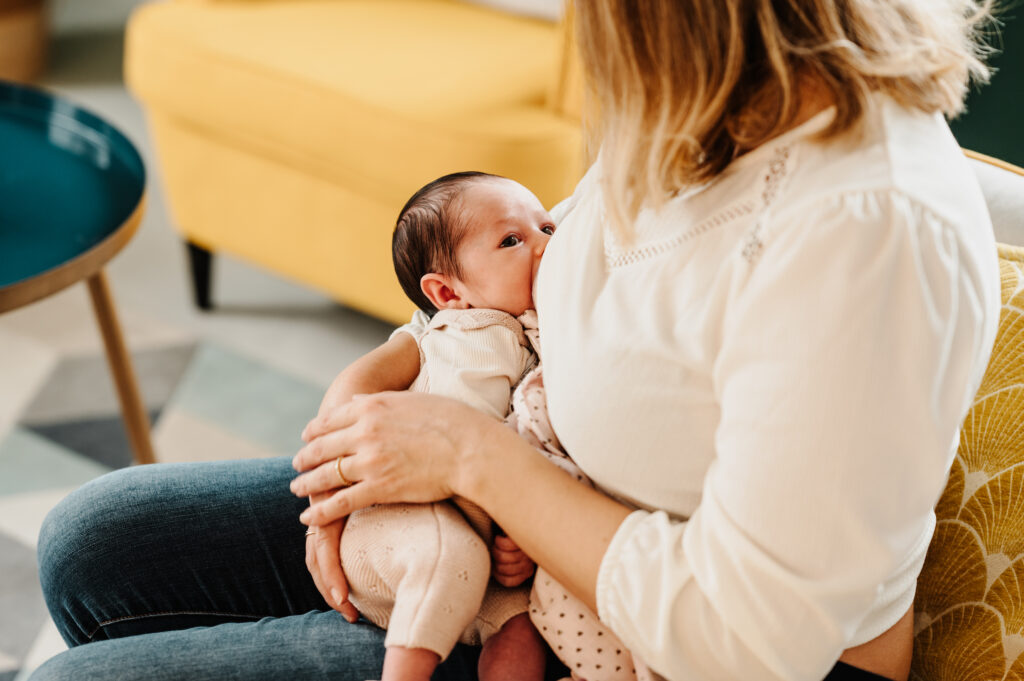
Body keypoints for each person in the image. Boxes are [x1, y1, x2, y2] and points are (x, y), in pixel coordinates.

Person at [31, 1, 1000, 680]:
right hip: (528, 510)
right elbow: (521, 277)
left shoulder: (864, 234)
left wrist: (466, 457)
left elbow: (748, 641)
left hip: (658, 640)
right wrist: (362, 410)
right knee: (89, 545)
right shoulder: (703, 106)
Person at [331, 171, 554, 681]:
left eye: (547, 228)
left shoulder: (539, 338)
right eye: (512, 241)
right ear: (448, 293)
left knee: (524, 627)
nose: (543, 246)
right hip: (397, 520)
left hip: (478, 539)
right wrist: (327, 502)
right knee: (451, 557)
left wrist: (519, 536)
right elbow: (356, 392)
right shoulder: (450, 331)